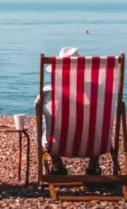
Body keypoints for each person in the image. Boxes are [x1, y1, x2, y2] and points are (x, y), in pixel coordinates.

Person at [37, 47, 102, 176]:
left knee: (44, 122)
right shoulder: (98, 91)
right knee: (98, 122)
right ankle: (93, 166)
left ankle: (57, 165)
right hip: (94, 143)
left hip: (58, 143)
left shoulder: (48, 92)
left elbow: (38, 107)